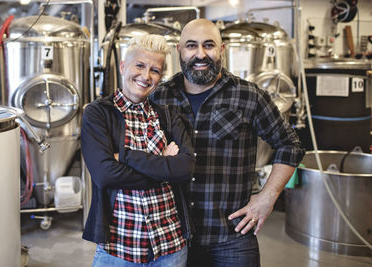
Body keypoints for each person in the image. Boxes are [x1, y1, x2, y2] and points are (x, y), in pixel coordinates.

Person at [150, 19, 305, 267]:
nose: (200, 54)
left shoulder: (248, 95)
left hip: (231, 237)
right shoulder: (159, 96)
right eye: (191, 46)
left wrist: (268, 197)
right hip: (173, 236)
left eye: (208, 45)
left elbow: (290, 144)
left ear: (222, 49)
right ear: (178, 50)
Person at [81, 34, 195, 267]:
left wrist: (124, 156)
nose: (145, 76)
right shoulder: (98, 114)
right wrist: (162, 166)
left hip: (170, 246)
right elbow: (105, 175)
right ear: (124, 66)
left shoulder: (168, 117)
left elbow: (185, 168)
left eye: (155, 70)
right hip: (118, 248)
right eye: (140, 65)